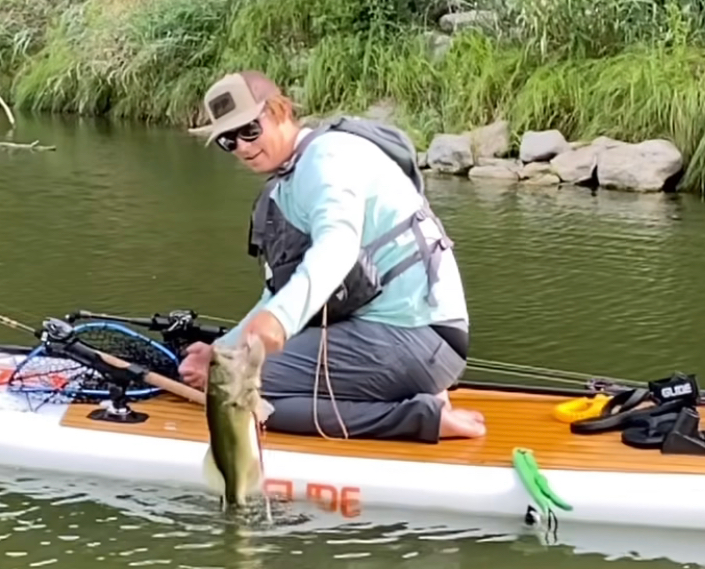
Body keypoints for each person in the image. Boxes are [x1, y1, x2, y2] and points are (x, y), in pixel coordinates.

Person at [183, 70, 486, 442]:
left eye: (250, 130)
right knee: (227, 368)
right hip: (397, 339)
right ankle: (410, 392)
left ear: (279, 111)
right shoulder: (287, 183)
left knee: (240, 387)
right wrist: (222, 349)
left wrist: (275, 325)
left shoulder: (327, 159)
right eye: (229, 140)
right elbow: (278, 291)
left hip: (417, 338)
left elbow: (337, 246)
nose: (243, 147)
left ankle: (421, 418)